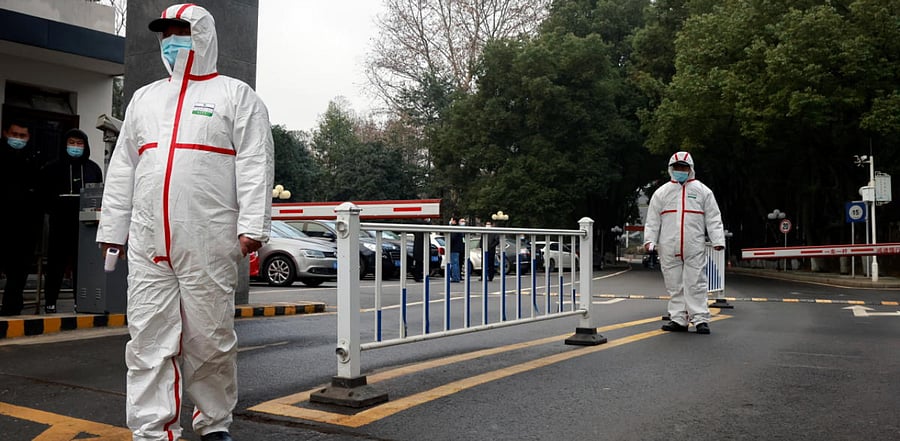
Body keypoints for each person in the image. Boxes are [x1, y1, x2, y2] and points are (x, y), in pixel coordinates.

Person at [96, 5, 274, 441]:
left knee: (210, 341)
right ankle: (152, 431)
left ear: (203, 36)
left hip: (207, 240)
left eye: (182, 31)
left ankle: (214, 425)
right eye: (166, 33)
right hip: (148, 242)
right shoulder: (145, 99)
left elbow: (255, 162)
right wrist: (112, 232)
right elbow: (124, 169)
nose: (172, 40)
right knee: (147, 342)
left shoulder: (236, 96)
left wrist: (253, 223)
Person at [643, 152, 725, 335]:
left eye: (684, 167)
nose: (681, 171)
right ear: (671, 168)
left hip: (694, 246)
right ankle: (678, 319)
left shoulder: (703, 191)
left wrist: (717, 239)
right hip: (668, 246)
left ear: (691, 169)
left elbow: (713, 217)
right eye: (677, 167)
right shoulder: (662, 193)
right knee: (674, 284)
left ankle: (700, 319)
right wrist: (649, 240)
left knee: (696, 282)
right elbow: (652, 220)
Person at [40, 129, 103, 313]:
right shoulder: (52, 168)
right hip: (59, 223)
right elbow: (44, 196)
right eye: (72, 143)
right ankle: (50, 301)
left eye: (79, 143)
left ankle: (82, 301)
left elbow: (98, 194)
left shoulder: (93, 168)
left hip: (85, 226)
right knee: (55, 264)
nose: (75, 147)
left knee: (83, 264)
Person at [0, 119, 42, 316]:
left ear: (28, 137)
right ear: (6, 133)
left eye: (22, 136)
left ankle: (12, 307)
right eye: (14, 135)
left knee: (19, 271)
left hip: (26, 227)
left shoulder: (33, 160)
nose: (18, 139)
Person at [448, 218, 463, 282]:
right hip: (457, 248)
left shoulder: (454, 229)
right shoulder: (458, 228)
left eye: (451, 220)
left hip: (454, 248)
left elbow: (452, 238)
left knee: (454, 263)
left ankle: (455, 277)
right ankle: (456, 276)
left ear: (454, 221)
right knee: (456, 263)